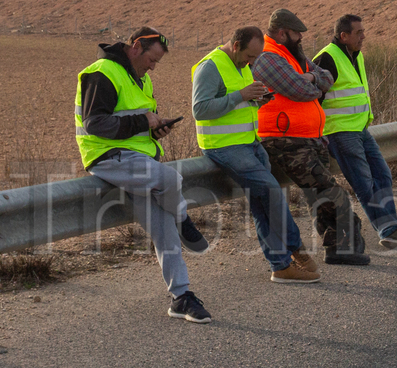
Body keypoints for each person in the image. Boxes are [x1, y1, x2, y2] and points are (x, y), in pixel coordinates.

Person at [75, 27, 212, 324]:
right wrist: (141, 121)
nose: (153, 67)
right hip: (107, 156)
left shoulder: (141, 77)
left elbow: (137, 122)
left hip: (137, 159)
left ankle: (181, 296)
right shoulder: (102, 72)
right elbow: (95, 124)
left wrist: (155, 128)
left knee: (163, 228)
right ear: (136, 47)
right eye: (152, 60)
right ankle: (183, 217)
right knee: (171, 181)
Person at [192, 26, 320, 284]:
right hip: (224, 146)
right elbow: (200, 109)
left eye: (256, 57)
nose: (252, 62)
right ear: (236, 45)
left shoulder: (241, 64)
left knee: (262, 202)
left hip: (250, 142)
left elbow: (234, 103)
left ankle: (281, 266)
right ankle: (296, 248)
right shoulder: (210, 67)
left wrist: (255, 100)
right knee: (271, 190)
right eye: (250, 57)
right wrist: (240, 95)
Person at [254, 9, 371, 266]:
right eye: (297, 33)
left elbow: (327, 77)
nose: (301, 38)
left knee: (320, 197)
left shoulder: (292, 55)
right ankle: (347, 241)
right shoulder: (268, 58)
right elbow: (302, 91)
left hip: (310, 138)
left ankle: (337, 249)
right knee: (332, 193)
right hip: (285, 141)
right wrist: (310, 81)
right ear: (283, 33)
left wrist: (310, 76)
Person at [313, 14, 397, 251]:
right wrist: (319, 134)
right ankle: (389, 230)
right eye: (359, 33)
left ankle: (392, 228)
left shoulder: (356, 55)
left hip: (360, 129)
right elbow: (314, 99)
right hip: (340, 132)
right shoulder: (326, 58)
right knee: (364, 183)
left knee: (383, 175)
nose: (364, 36)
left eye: (363, 31)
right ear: (344, 36)